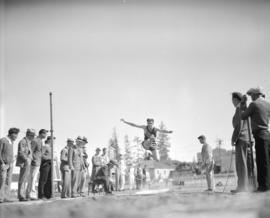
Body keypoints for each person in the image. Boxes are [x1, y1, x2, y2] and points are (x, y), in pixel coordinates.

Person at [241, 87, 270, 192]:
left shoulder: (254, 104)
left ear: (257, 94)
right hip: (267, 134)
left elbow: (243, 116)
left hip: (259, 135)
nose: (251, 97)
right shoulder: (268, 104)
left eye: (252, 94)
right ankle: (267, 186)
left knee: (261, 162)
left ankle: (263, 187)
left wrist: (243, 104)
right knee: (267, 161)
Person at [231, 92, 251, 193]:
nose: (232, 103)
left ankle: (242, 188)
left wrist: (233, 139)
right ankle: (250, 186)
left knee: (241, 164)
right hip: (248, 139)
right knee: (249, 164)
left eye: (233, 100)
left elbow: (239, 126)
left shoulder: (239, 109)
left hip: (241, 139)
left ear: (236, 100)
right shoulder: (245, 108)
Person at [0, 128, 20, 203]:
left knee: (8, 181)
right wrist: (2, 163)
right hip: (3, 164)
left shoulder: (11, 142)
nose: (16, 137)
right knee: (2, 180)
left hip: (10, 164)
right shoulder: (3, 140)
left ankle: (6, 197)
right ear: (12, 134)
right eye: (16, 135)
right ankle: (1, 198)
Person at [27, 129, 48, 200]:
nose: (46, 136)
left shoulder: (40, 141)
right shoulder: (35, 141)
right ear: (41, 133)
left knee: (34, 178)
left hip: (38, 161)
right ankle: (31, 194)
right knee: (33, 177)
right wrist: (32, 160)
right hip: (35, 161)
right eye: (45, 134)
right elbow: (31, 151)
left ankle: (30, 193)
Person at [16, 129, 35, 201]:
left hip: (28, 162)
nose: (33, 137)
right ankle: (21, 195)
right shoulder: (23, 141)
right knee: (22, 179)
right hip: (25, 163)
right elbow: (21, 152)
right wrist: (26, 159)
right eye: (32, 135)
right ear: (28, 134)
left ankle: (23, 195)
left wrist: (30, 159)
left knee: (25, 179)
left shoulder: (28, 142)